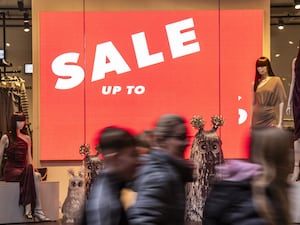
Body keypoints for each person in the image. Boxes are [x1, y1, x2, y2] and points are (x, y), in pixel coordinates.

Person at [203, 128, 292, 225]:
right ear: (278, 161)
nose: (291, 159)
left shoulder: (235, 189)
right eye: (287, 154)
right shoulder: (256, 203)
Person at [127, 114, 194, 225]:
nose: (186, 143)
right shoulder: (159, 176)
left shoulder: (170, 171)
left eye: (187, 137)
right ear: (162, 141)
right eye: (180, 137)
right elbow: (143, 220)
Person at [83, 126, 139, 225]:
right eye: (132, 155)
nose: (137, 161)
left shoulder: (117, 186)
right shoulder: (105, 203)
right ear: (115, 158)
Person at [0, 112, 50, 221]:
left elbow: (29, 158)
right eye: (18, 121)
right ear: (14, 122)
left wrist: (33, 169)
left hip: (24, 169)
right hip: (11, 170)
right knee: (31, 173)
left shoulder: (27, 138)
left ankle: (37, 210)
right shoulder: (6, 137)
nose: (21, 123)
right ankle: (31, 209)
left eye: (23, 120)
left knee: (35, 175)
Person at [251, 56, 287, 128]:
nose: (261, 68)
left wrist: (280, 122)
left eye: (263, 66)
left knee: (270, 137)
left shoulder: (276, 80)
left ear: (268, 67)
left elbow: (282, 100)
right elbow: (253, 104)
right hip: (257, 118)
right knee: (258, 138)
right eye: (258, 66)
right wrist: (250, 123)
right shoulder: (255, 84)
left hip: (270, 117)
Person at [286, 45, 300, 182]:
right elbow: (293, 81)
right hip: (298, 100)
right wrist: (289, 101)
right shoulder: (295, 61)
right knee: (297, 134)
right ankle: (296, 168)